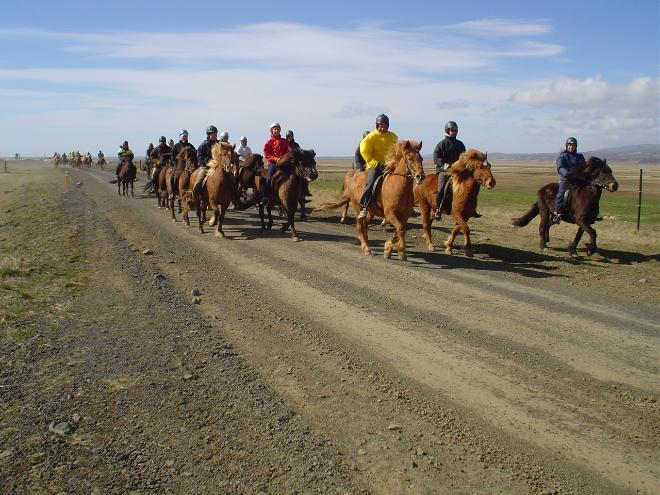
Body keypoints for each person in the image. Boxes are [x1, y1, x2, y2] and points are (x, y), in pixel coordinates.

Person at [357, 114, 398, 219]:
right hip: (374, 165)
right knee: (370, 183)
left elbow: (396, 150)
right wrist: (372, 162)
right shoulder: (371, 137)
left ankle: (407, 206)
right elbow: (364, 150)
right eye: (380, 126)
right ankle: (364, 207)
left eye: (384, 126)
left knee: (401, 180)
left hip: (388, 165)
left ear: (387, 126)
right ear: (376, 126)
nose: (382, 128)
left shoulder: (393, 136)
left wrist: (393, 162)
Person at [432, 121, 466, 220]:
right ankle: (438, 209)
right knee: (442, 188)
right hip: (444, 171)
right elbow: (436, 156)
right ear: (447, 131)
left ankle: (470, 208)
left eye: (455, 130)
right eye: (452, 130)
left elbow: (464, 157)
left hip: (457, 171)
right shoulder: (442, 144)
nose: (454, 132)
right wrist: (444, 166)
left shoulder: (460, 144)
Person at [553, 137, 586, 223]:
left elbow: (585, 167)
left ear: (576, 146)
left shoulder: (580, 157)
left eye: (573, 145)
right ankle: (558, 212)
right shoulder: (562, 156)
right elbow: (560, 167)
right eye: (570, 145)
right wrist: (566, 173)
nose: (571, 147)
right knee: (561, 193)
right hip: (567, 179)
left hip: (578, 179)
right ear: (567, 146)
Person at [262, 122, 289, 205]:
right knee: (269, 178)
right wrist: (276, 159)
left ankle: (302, 194)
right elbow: (267, 155)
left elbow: (288, 151)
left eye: (278, 129)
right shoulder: (268, 142)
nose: (276, 130)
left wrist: (285, 158)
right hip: (274, 164)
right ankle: (265, 197)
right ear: (272, 131)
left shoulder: (285, 141)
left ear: (280, 130)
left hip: (284, 163)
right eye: (275, 129)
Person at [170, 129, 197, 197]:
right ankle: (173, 193)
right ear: (180, 137)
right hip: (179, 166)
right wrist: (175, 162)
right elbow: (172, 155)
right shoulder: (176, 146)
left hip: (189, 166)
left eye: (186, 136)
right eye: (184, 136)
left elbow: (195, 153)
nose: (185, 137)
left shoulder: (190, 145)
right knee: (173, 178)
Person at [194, 125, 219, 196]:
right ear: (208, 135)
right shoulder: (204, 144)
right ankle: (195, 195)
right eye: (213, 134)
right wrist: (208, 162)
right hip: (205, 166)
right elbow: (199, 156)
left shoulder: (219, 143)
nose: (215, 135)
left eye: (216, 134)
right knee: (200, 179)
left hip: (218, 165)